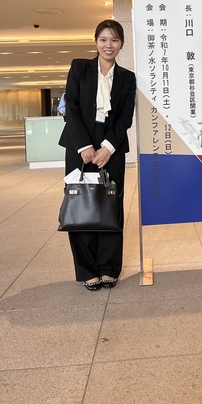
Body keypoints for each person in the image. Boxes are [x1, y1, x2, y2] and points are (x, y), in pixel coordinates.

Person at [59, 19, 136, 291]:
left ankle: (108, 268)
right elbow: (72, 107)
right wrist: (84, 146)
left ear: (121, 44)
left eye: (114, 40)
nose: (108, 45)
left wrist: (108, 147)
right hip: (78, 147)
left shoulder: (127, 77)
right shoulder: (80, 68)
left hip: (111, 149)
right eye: (103, 39)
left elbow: (125, 117)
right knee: (80, 205)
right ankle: (87, 270)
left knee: (110, 206)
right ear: (96, 42)